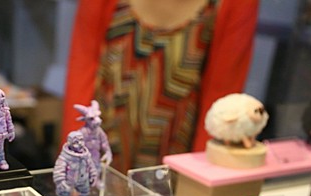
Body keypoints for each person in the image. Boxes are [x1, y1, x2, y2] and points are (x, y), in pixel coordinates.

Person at [62, 0, 259, 172]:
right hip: (99, 150)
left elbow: (220, 103)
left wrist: (199, 183)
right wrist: (75, 160)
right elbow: (82, 70)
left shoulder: (234, 4)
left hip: (176, 163)